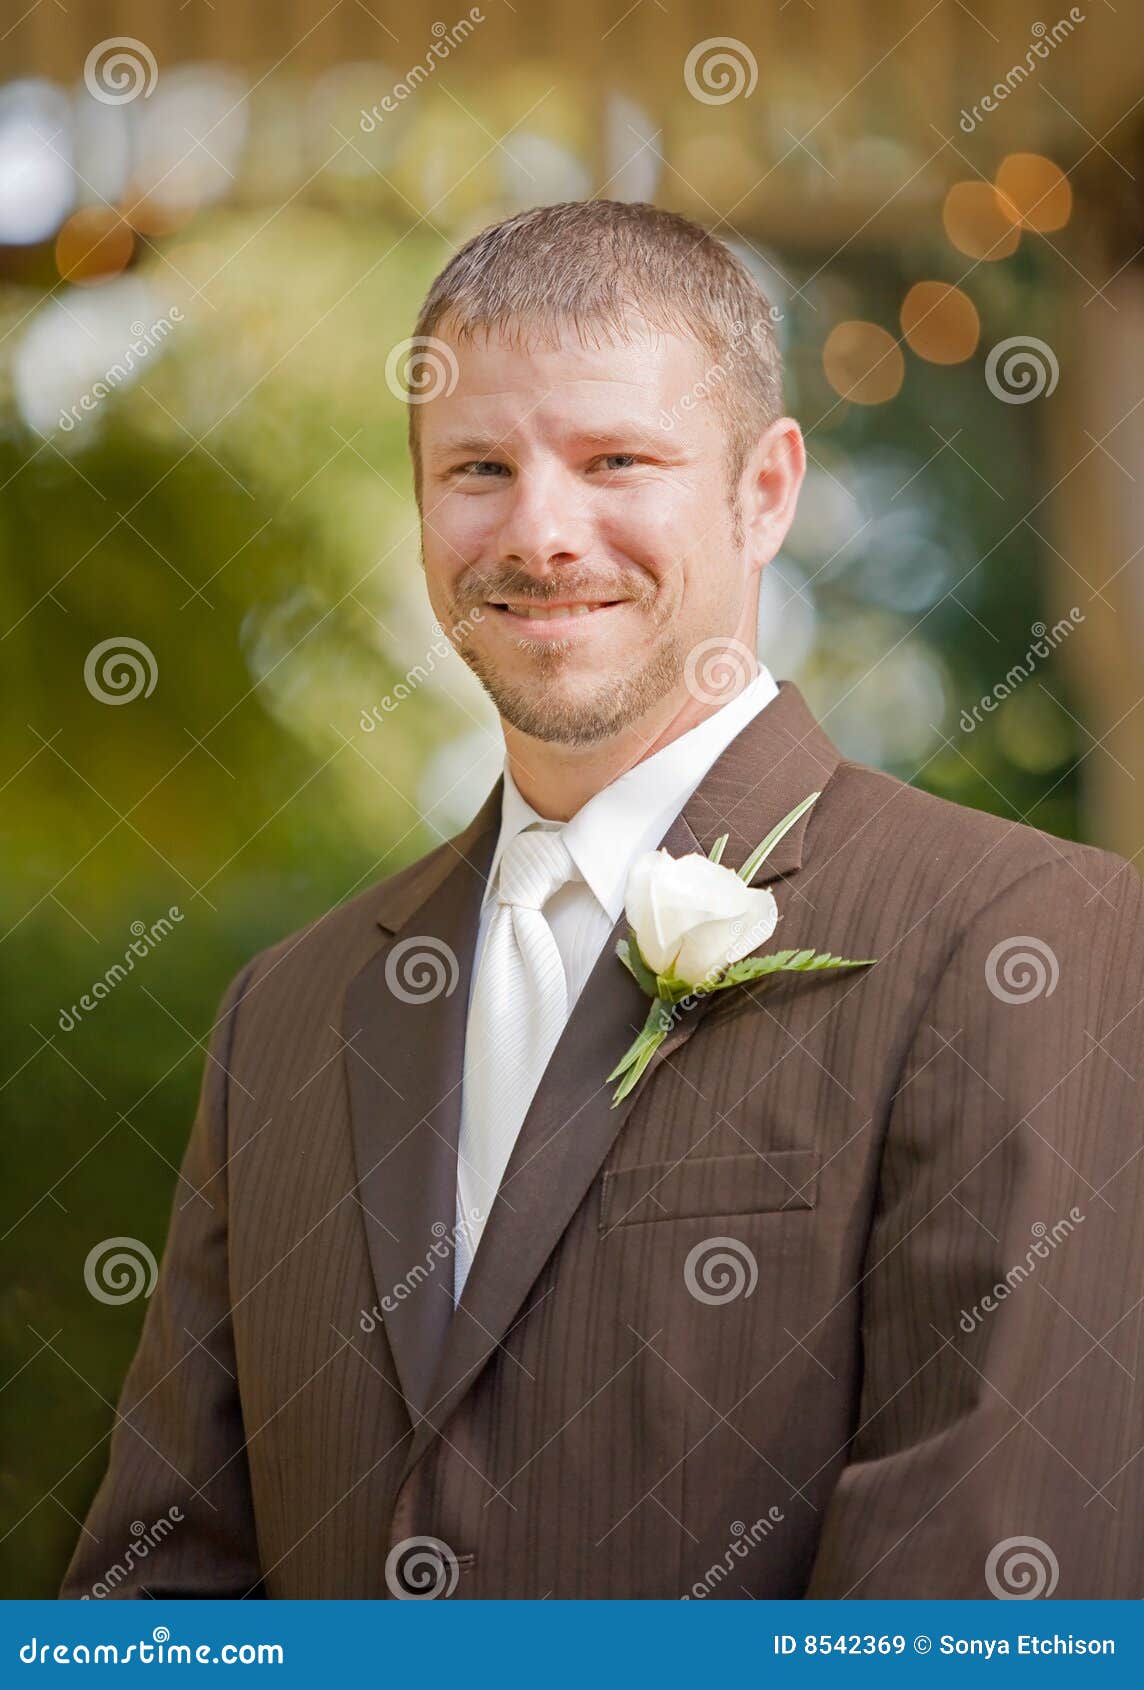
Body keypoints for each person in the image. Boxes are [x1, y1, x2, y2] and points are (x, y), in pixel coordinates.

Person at [62, 200, 1144, 1600]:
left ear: (765, 491)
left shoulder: (1024, 932)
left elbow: (982, 1600)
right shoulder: (286, 1011)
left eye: (615, 458)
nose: (540, 531)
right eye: (477, 468)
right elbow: (164, 1592)